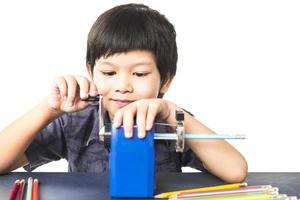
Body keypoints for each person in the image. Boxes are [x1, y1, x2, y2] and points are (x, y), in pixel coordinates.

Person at [0, 3, 247, 182]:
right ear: (91, 71)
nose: (123, 86)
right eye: (109, 73)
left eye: (139, 74)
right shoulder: (75, 120)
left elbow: (235, 171)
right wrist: (49, 109)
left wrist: (173, 113)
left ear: (165, 81)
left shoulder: (173, 121)